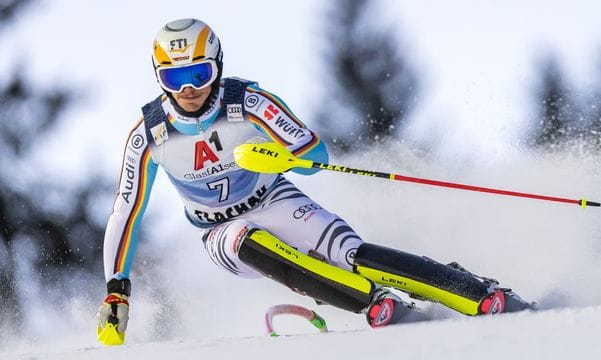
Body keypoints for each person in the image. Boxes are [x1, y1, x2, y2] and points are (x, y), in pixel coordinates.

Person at [96, 18, 533, 345]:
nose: (189, 89)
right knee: (243, 239)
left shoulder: (249, 103)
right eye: (174, 77)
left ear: (218, 66)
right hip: (219, 230)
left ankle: (476, 293)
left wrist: (282, 159)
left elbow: (315, 157)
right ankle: (374, 302)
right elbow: (126, 212)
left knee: (351, 253)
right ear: (159, 77)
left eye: (199, 73)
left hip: (273, 198)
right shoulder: (148, 135)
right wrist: (117, 291)